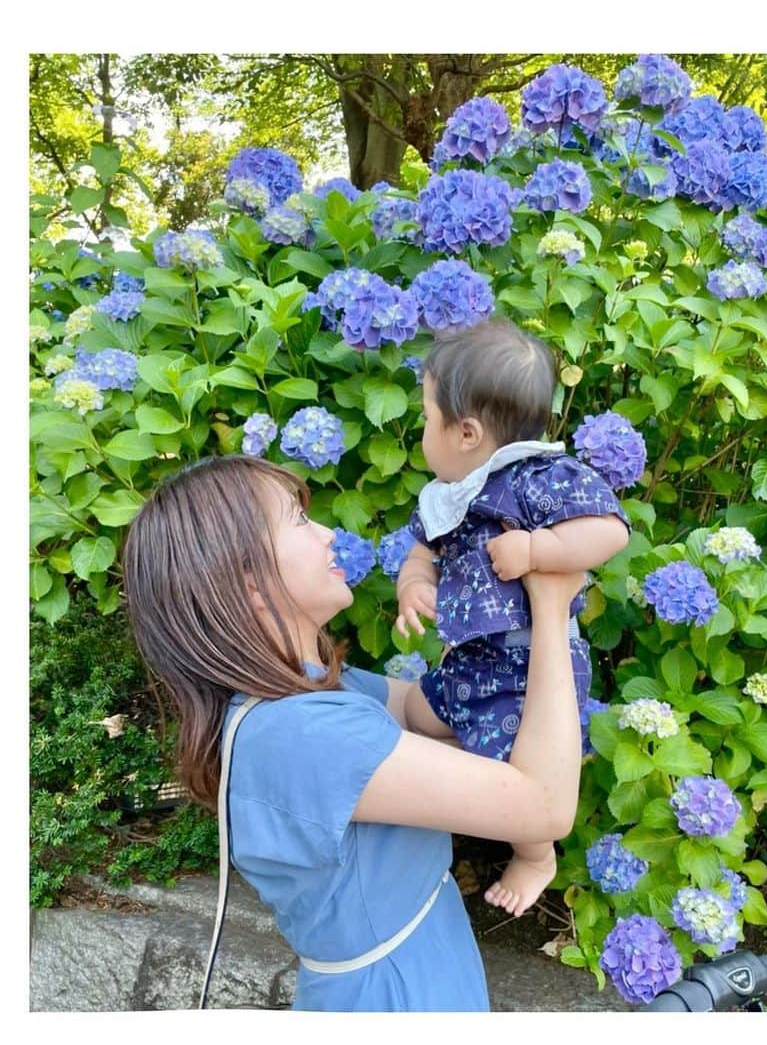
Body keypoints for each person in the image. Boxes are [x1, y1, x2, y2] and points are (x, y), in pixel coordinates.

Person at [121, 453, 585, 1012]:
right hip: (398, 996)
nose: (328, 535)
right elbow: (545, 805)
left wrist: (490, 627)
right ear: (243, 578)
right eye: (297, 520)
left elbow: (423, 714)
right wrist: (552, 607)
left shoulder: (307, 691)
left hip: (421, 961)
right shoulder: (299, 734)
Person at [394, 319, 630, 917]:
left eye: (427, 417)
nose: (423, 430)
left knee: (510, 772)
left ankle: (534, 856)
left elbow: (607, 530)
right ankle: (440, 778)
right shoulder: (451, 493)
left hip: (531, 669)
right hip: (474, 658)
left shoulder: (540, 478)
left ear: (467, 431)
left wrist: (536, 552)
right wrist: (415, 585)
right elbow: (421, 552)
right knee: (423, 712)